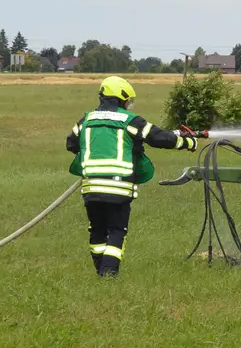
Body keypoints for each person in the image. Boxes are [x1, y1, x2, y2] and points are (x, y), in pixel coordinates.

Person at [66, 76, 197, 277]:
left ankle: (101, 272)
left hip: (91, 187)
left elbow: (72, 144)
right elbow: (158, 138)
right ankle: (108, 274)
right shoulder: (129, 120)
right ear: (121, 98)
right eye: (128, 100)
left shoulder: (86, 120)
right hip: (119, 188)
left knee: (97, 230)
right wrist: (187, 143)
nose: (128, 104)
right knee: (117, 230)